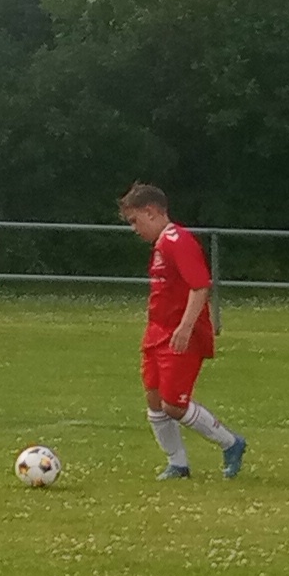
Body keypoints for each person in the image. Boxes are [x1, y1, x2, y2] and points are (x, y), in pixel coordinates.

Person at [119, 183, 248, 480]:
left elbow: (200, 285)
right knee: (154, 399)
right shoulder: (162, 244)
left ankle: (231, 442)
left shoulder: (178, 241)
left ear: (151, 212)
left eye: (135, 221)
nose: (134, 228)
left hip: (179, 334)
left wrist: (185, 327)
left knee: (174, 405)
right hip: (157, 332)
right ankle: (177, 464)